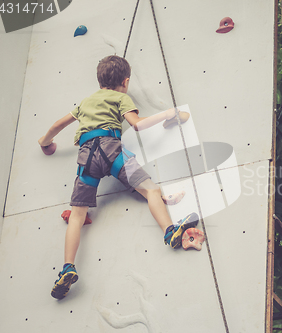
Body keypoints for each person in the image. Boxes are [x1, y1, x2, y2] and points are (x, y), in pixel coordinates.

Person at [38, 55, 198, 300]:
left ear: (99, 80)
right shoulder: (121, 97)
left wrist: (45, 142)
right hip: (112, 152)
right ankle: (169, 230)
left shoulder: (84, 102)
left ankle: (67, 266)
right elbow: (137, 124)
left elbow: (58, 125)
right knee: (151, 190)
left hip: (86, 159)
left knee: (77, 216)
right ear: (125, 81)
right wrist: (168, 115)